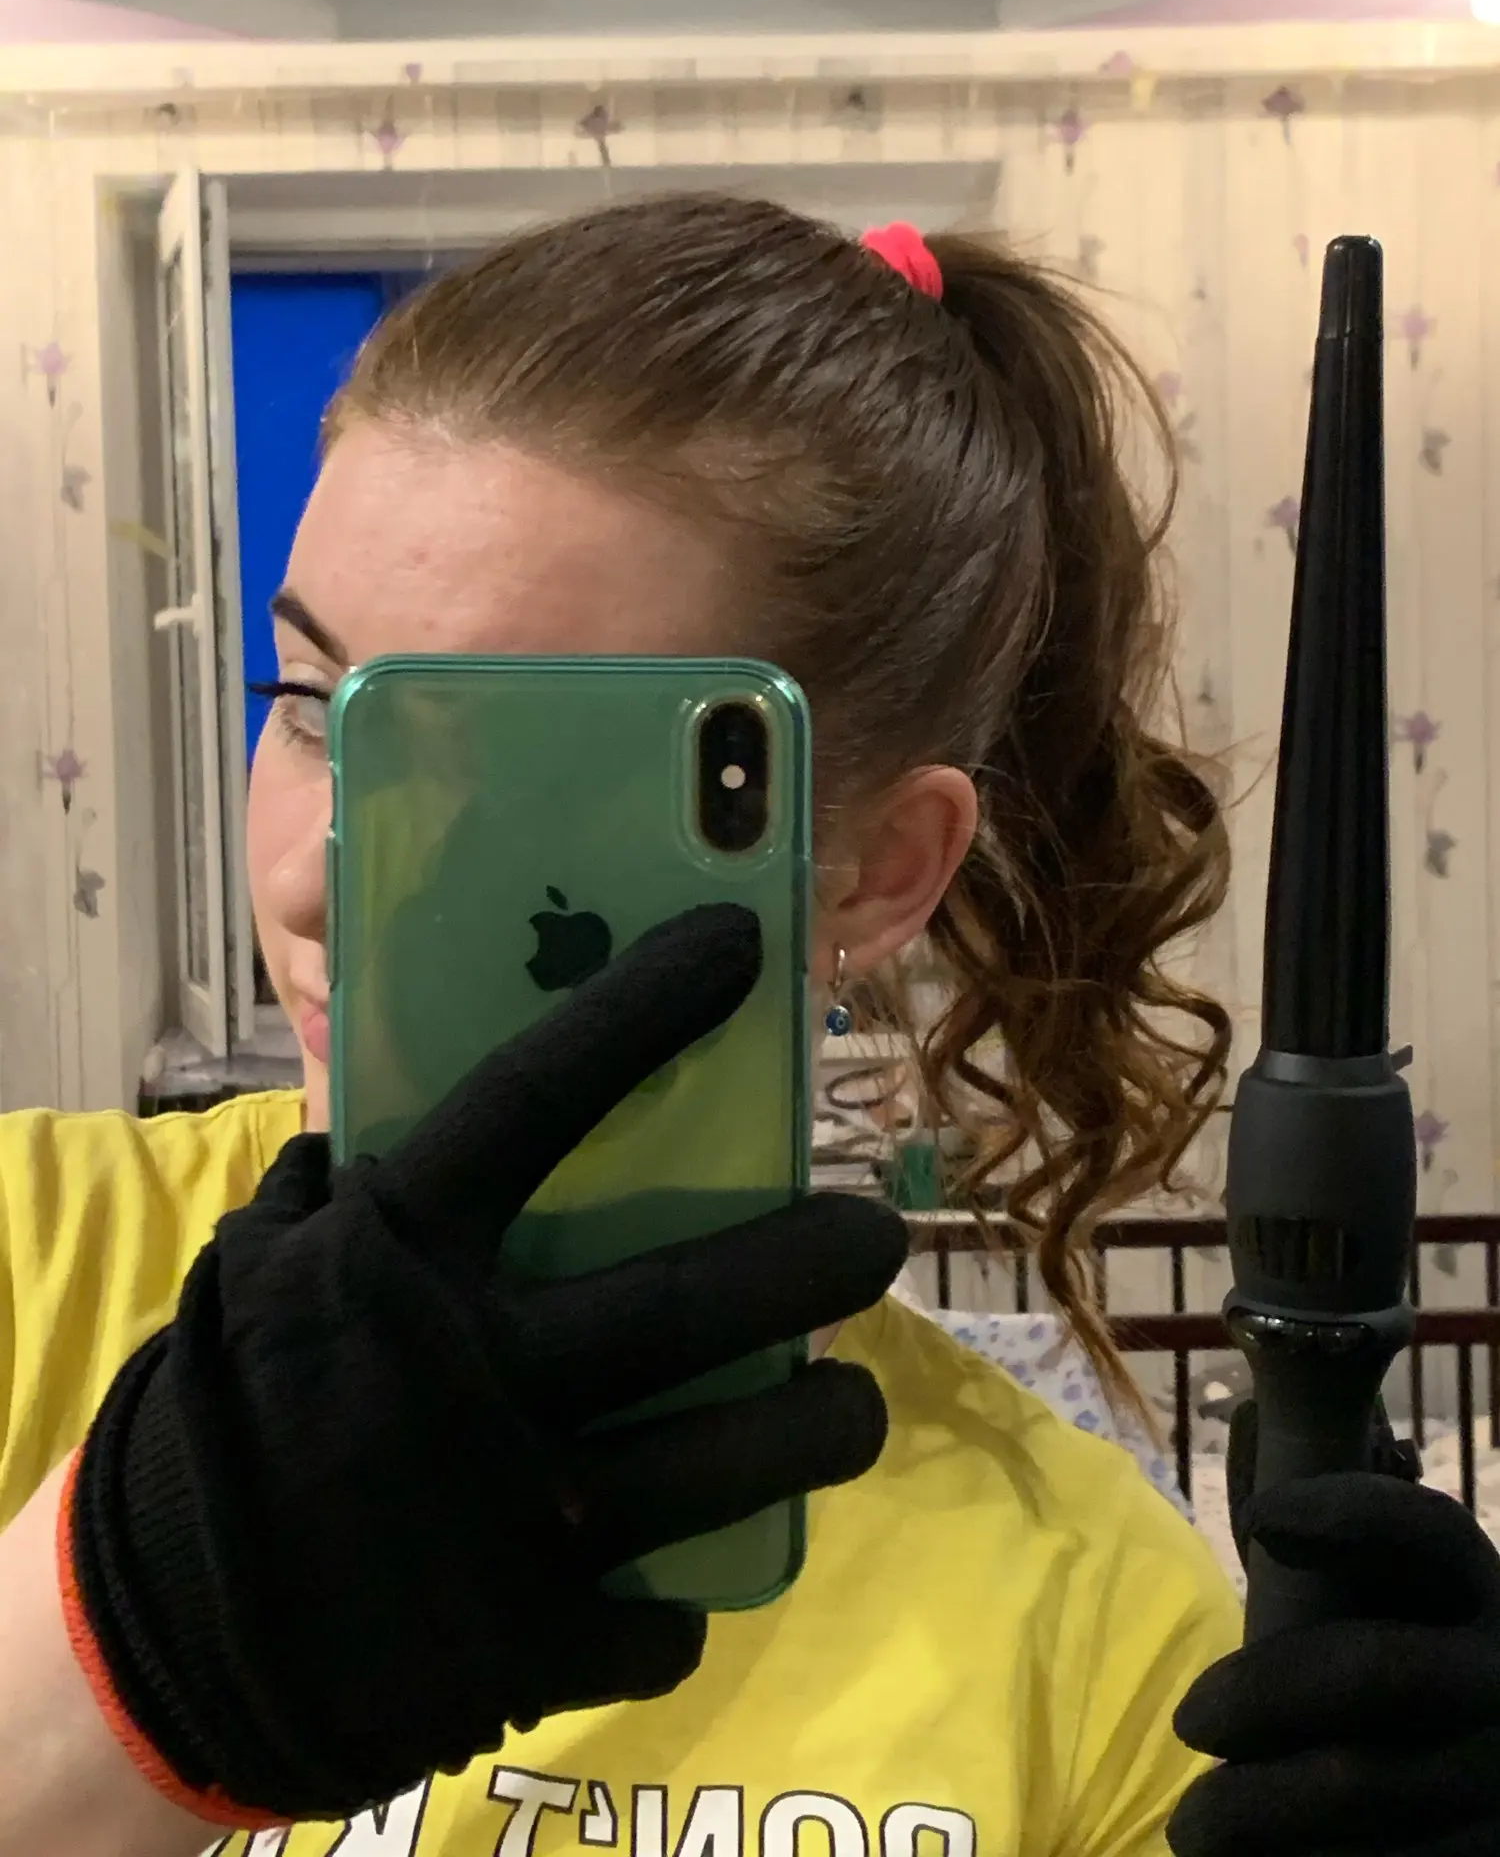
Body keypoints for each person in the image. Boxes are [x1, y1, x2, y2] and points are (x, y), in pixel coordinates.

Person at [0, 197, 1497, 1857]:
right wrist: (120, 1650)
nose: (305, 880)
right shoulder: (27, 1263)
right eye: (308, 707)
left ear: (878, 869)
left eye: (511, 769)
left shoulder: (1097, 1627)